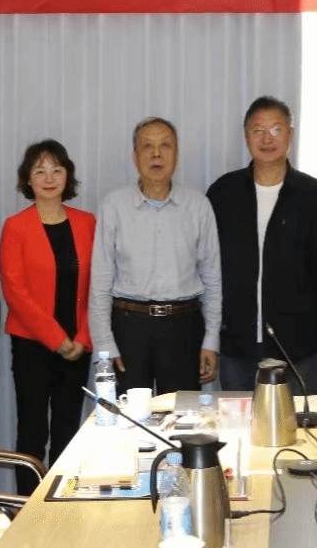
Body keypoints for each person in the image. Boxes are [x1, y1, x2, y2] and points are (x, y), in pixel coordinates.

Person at [207, 95, 317, 393]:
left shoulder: (314, 196)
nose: (267, 139)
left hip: (297, 342)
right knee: (237, 418)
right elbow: (208, 268)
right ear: (246, 136)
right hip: (235, 341)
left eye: (276, 129)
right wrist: (208, 336)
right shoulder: (223, 193)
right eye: (258, 130)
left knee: (296, 419)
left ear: (290, 135)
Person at [88, 117, 222, 393]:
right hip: (128, 328)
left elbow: (212, 279)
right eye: (147, 146)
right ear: (135, 156)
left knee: (182, 414)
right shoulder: (113, 206)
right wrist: (104, 344)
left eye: (165, 146)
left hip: (183, 327)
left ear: (177, 154)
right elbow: (100, 281)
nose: (157, 154)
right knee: (128, 415)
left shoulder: (198, 206)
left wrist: (211, 340)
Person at [0, 139, 95, 493]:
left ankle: (62, 501)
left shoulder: (87, 223)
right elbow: (15, 291)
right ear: (28, 179)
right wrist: (57, 340)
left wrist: (81, 338)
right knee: (32, 430)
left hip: (78, 344)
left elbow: (99, 284)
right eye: (40, 171)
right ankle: (28, 505)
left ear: (68, 175)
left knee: (69, 428)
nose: (49, 178)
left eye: (57, 169)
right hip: (32, 345)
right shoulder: (16, 226)